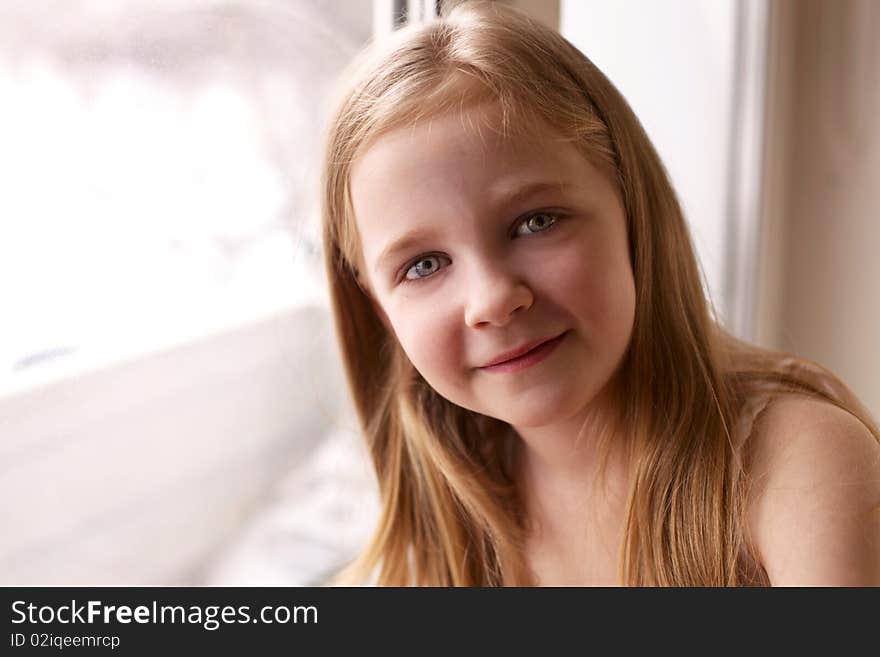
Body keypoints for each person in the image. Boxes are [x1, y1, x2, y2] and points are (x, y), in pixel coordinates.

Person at [319, 1, 880, 586]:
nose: (491, 299)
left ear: (631, 209)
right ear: (379, 309)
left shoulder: (797, 466)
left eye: (536, 222)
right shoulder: (440, 531)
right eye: (424, 265)